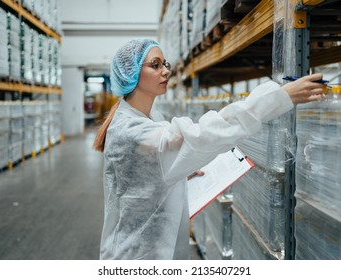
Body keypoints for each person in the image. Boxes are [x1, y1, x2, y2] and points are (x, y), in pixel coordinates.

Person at [93, 38, 325, 260]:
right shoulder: (132, 131)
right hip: (135, 256)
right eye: (155, 65)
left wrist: (181, 169)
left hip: (152, 248)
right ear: (131, 74)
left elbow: (147, 172)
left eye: (165, 64)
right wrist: (279, 98)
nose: (165, 71)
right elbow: (202, 136)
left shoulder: (149, 117)